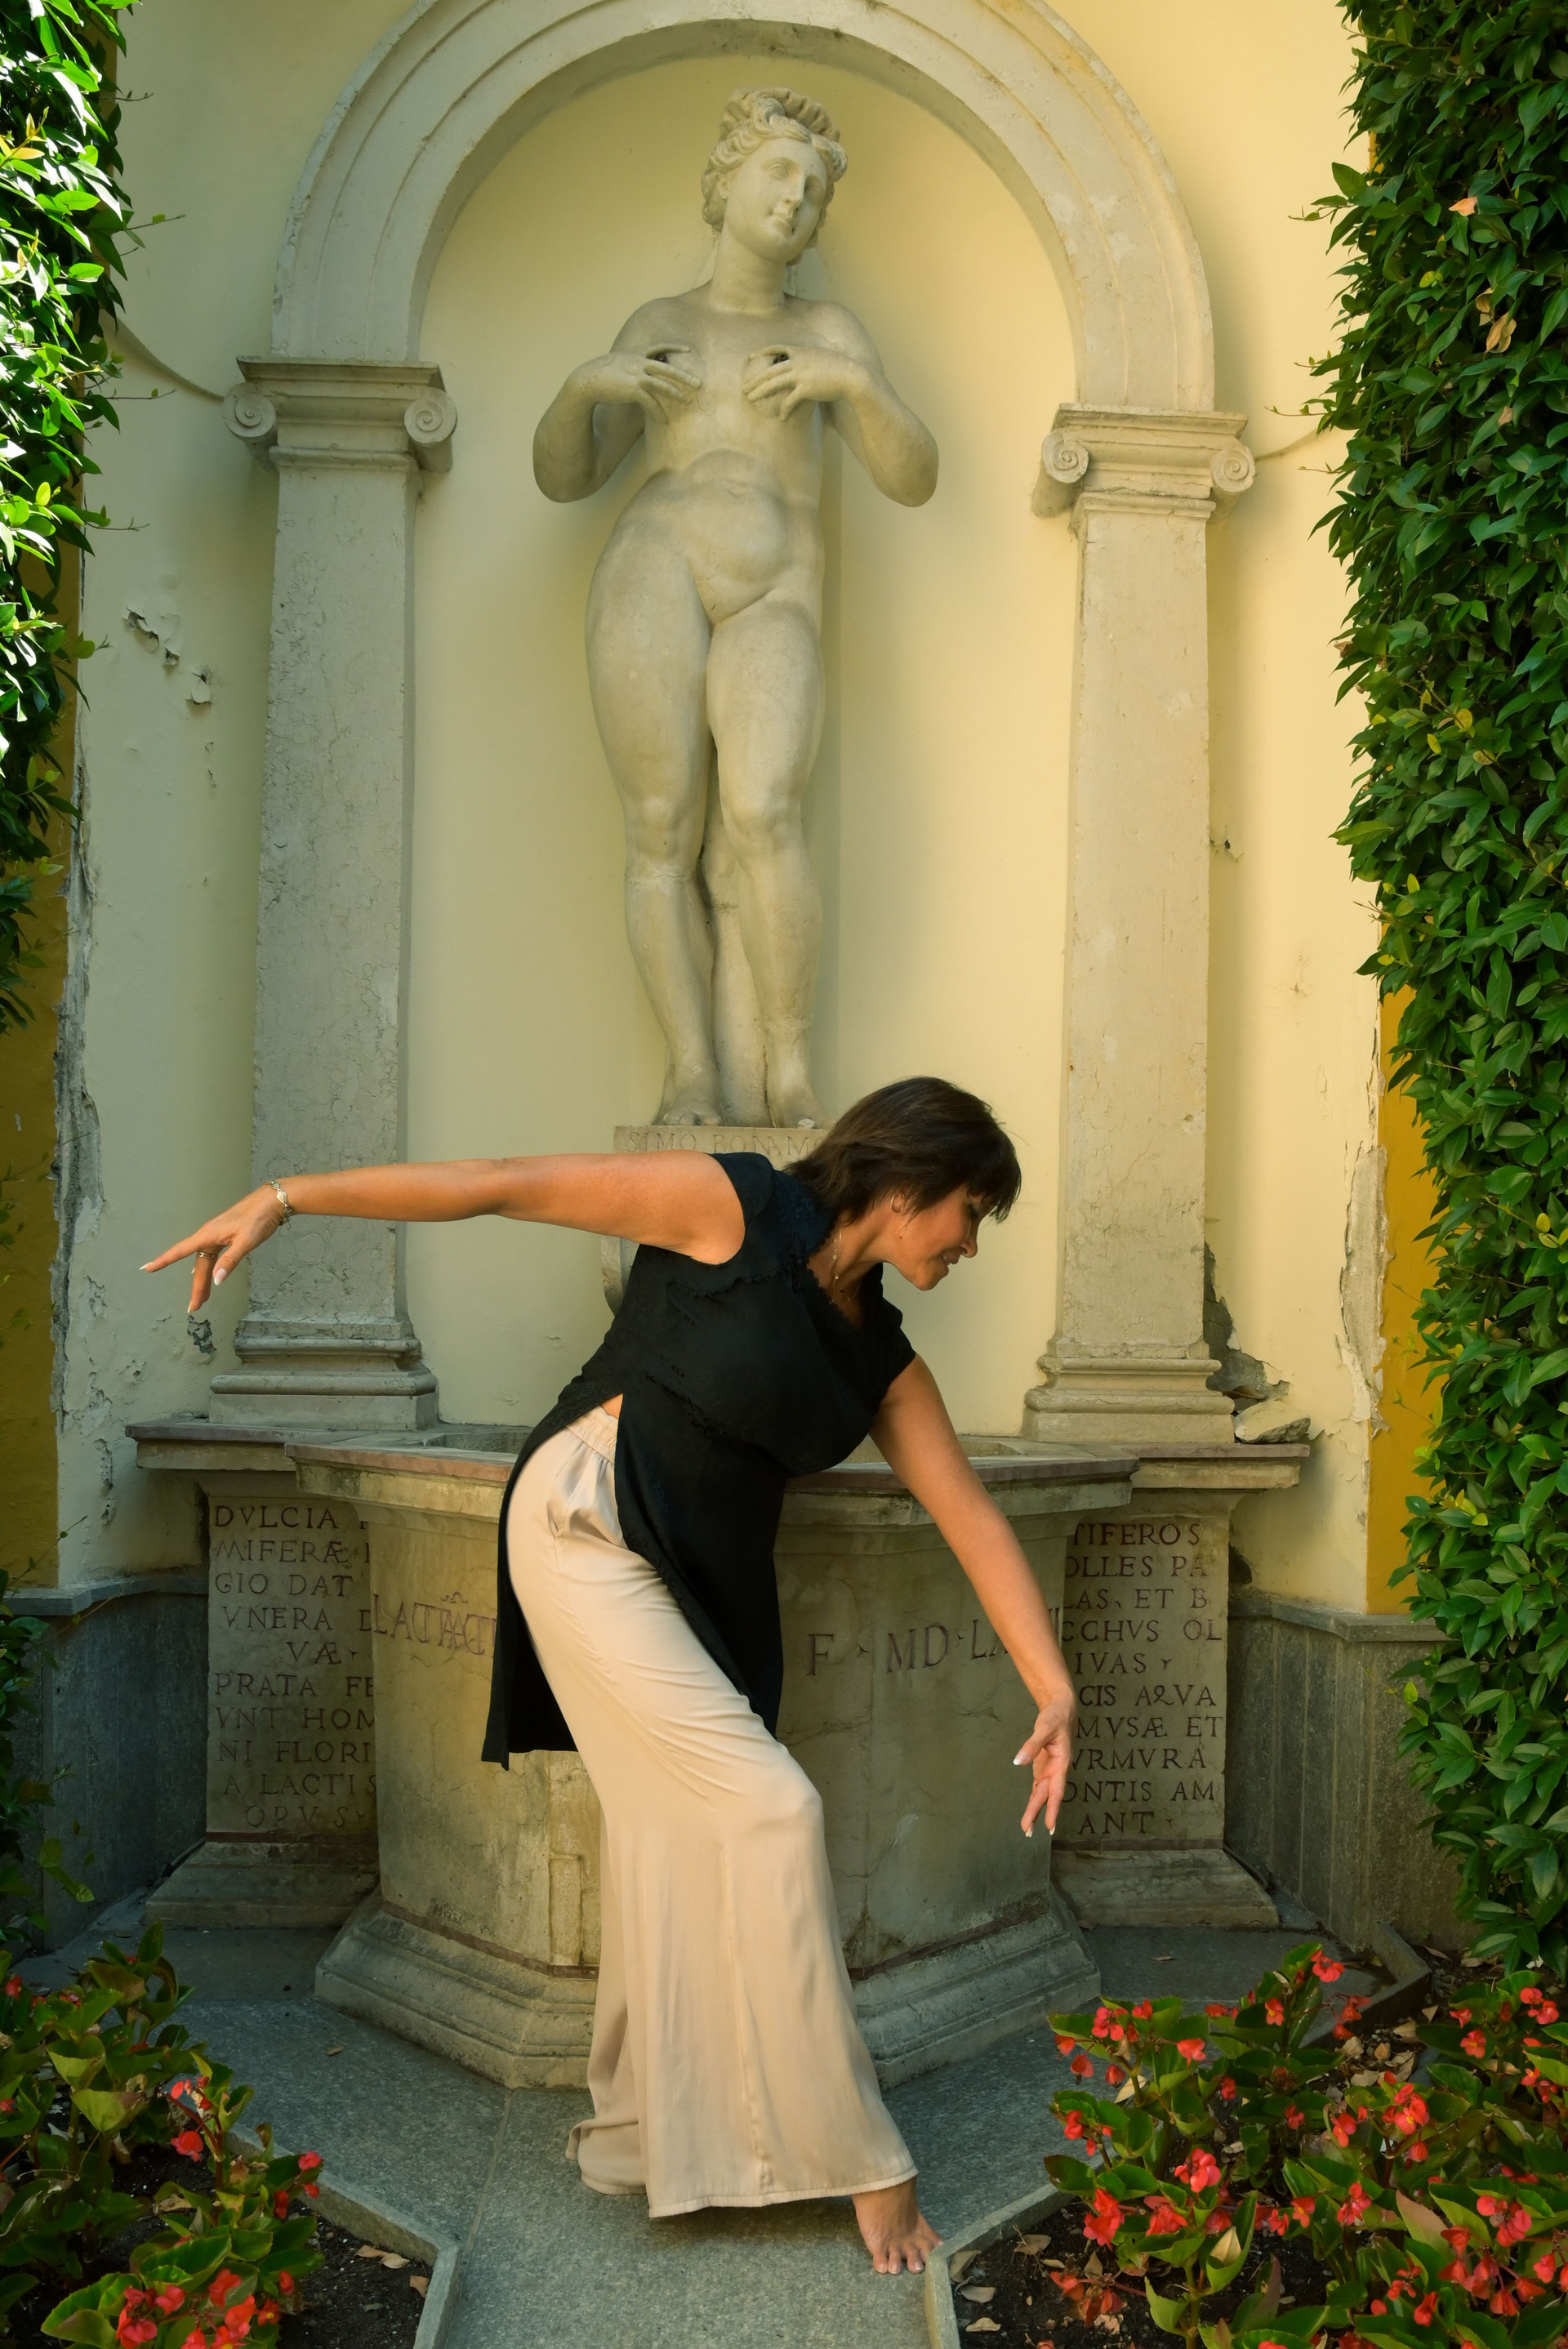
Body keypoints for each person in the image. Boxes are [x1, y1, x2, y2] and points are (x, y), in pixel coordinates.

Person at [144, 1077, 1077, 2275]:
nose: (971, 1242)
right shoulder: (733, 1204)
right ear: (907, 1185)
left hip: (697, 1582)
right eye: (971, 1212)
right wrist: (284, 1198)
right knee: (773, 1809)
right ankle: (860, 2158)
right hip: (584, 1523)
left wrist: (1053, 1688)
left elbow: (974, 1521)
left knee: (671, 1834)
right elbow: (502, 1185)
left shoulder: (881, 1359)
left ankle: (651, 2131)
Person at [534, 89, 938, 1131]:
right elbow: (566, 478)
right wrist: (585, 387)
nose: (795, 198)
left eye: (814, 190)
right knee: (660, 830)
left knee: (760, 813)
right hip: (654, 564)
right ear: (727, 183)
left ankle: (788, 1071)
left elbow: (913, 476)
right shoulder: (661, 326)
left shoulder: (826, 331)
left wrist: (854, 384)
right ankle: (692, 1076)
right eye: (777, 173)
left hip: (773, 592)